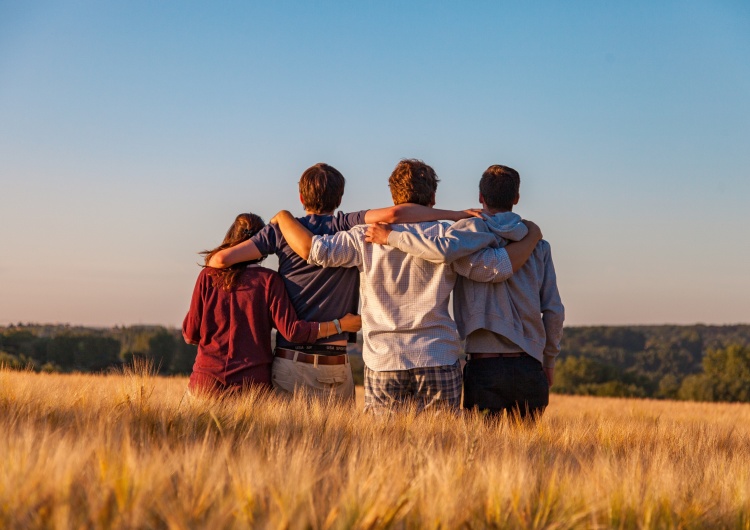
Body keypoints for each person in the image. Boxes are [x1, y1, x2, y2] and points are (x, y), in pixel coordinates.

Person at [271, 159, 542, 413]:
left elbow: (315, 251)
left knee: (385, 450)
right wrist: (531, 237)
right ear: (433, 198)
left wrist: (284, 217)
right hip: (437, 355)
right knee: (442, 449)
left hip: (384, 359)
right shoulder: (449, 236)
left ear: (393, 197)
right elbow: (495, 269)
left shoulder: (363, 236)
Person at [206, 163, 479, 400]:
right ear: (340, 197)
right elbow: (396, 215)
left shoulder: (280, 231)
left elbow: (219, 261)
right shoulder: (347, 224)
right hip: (335, 363)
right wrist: (455, 215)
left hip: (289, 360)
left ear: (301, 197)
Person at [366, 164, 564, 420]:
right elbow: (553, 310)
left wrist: (392, 237)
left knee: (480, 454)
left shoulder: (463, 238)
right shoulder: (538, 245)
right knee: (529, 456)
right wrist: (549, 360)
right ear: (516, 198)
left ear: (481, 197)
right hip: (530, 365)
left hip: (484, 366)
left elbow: (441, 251)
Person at [182, 213, 361, 396]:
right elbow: (293, 331)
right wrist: (340, 325)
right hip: (251, 387)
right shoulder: (269, 281)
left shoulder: (208, 276)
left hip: (205, 383)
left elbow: (190, 334)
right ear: (262, 244)